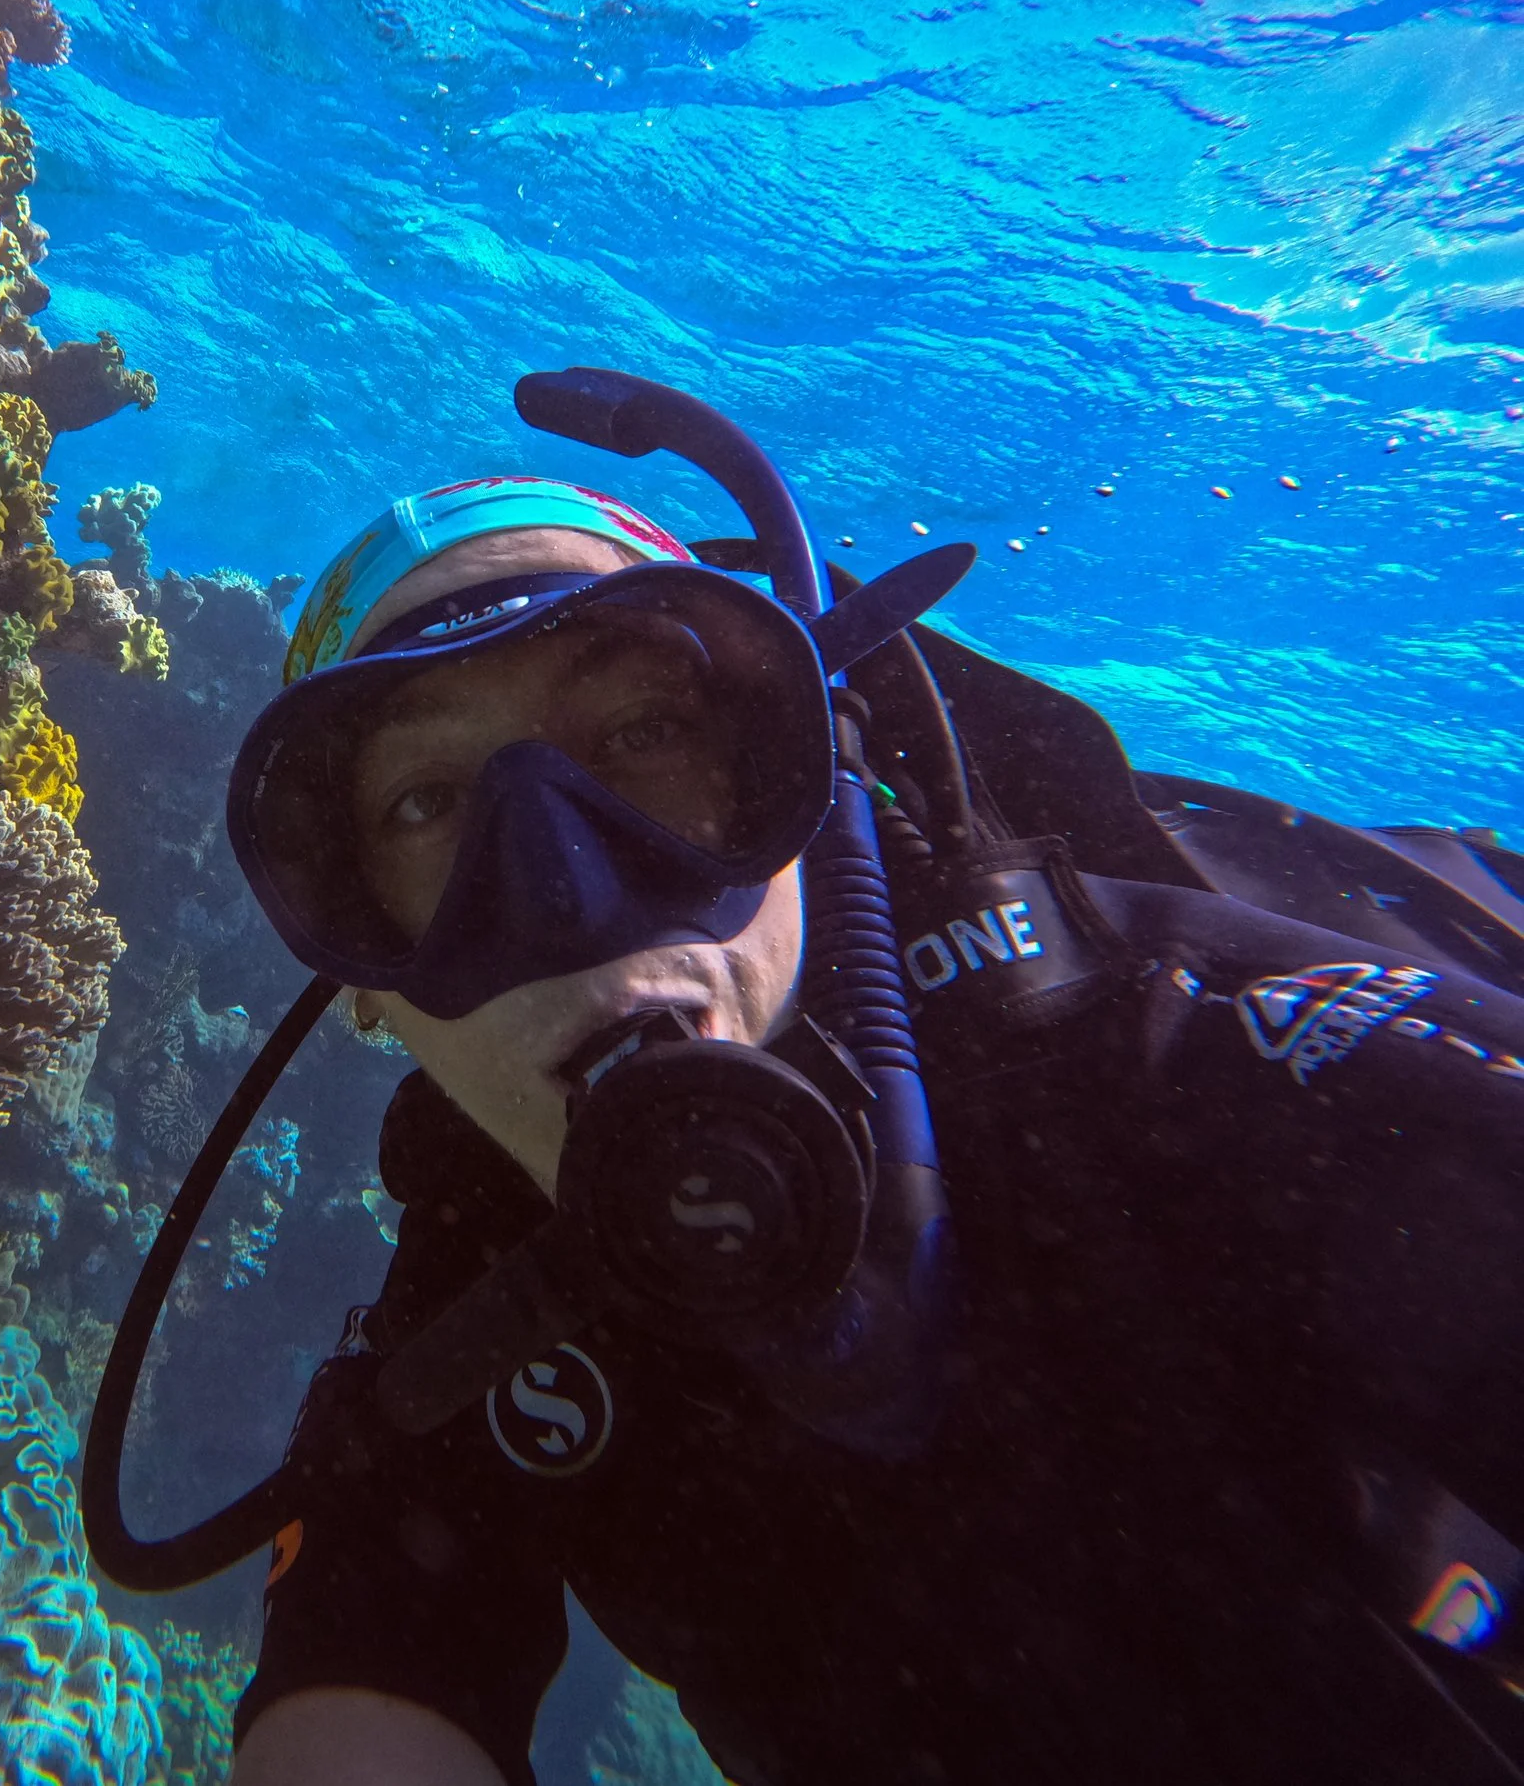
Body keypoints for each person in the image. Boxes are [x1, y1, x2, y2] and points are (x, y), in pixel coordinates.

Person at [111, 383, 1524, 1786]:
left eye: (643, 738)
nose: (568, 895)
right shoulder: (472, 1319)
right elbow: (370, 1690)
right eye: (429, 807)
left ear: (799, 788)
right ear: (364, 976)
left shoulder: (1150, 1048)